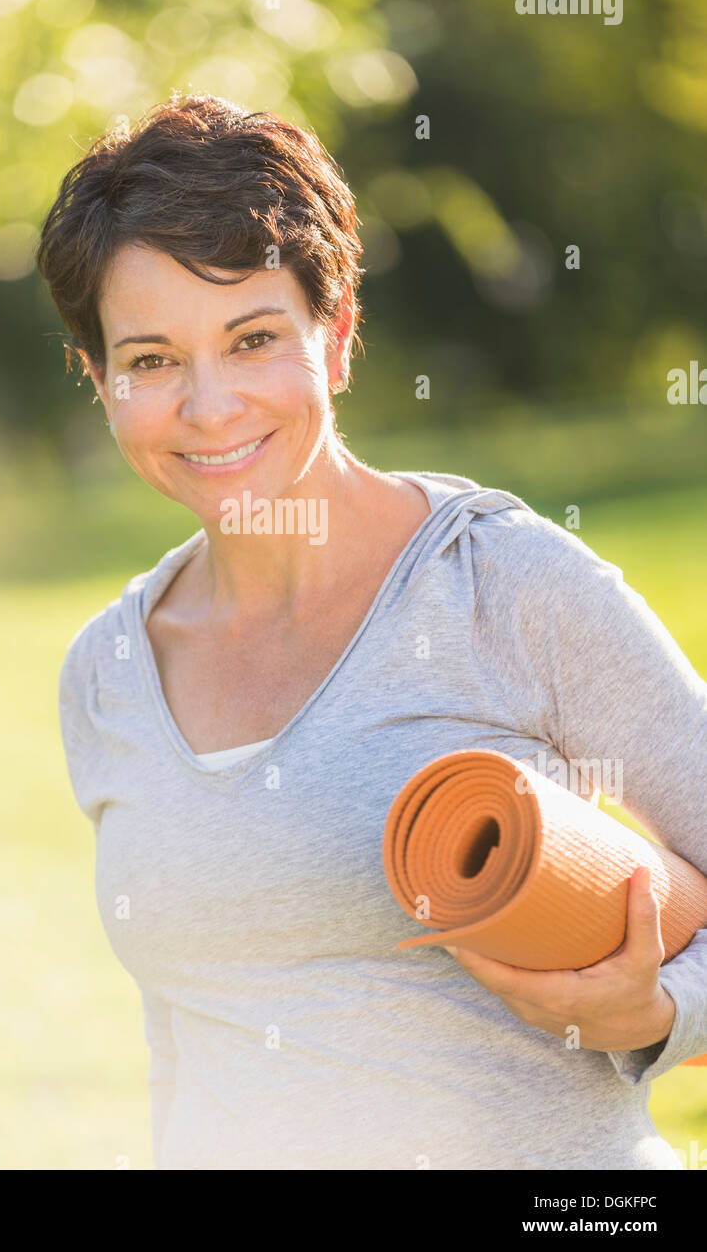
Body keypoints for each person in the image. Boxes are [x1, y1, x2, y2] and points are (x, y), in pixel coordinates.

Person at [37, 92, 707, 1170]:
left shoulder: (504, 585)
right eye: (152, 359)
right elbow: (188, 1041)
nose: (209, 408)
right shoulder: (106, 674)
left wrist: (660, 1008)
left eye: (253, 339)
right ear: (99, 378)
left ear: (336, 336)